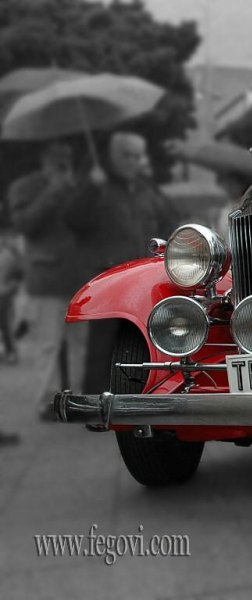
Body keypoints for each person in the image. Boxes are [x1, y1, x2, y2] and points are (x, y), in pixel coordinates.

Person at [73, 132, 181, 393]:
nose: (132, 161)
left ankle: (140, 396)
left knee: (143, 342)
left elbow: (171, 222)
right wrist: (90, 188)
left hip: (144, 279)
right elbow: (72, 220)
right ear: (112, 156)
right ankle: (96, 401)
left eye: (137, 156)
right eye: (126, 155)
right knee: (103, 346)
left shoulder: (147, 189)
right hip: (108, 278)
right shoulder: (97, 186)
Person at [7, 141, 89, 419]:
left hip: (79, 276)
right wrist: (52, 191)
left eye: (67, 155)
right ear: (43, 157)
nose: (64, 160)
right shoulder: (25, 187)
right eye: (57, 156)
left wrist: (92, 191)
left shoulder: (79, 185)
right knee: (48, 343)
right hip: (47, 276)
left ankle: (77, 398)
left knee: (80, 344)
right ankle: (48, 402)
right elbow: (24, 224)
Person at [0, 224, 23, 364]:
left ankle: (11, 351)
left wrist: (12, 288)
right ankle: (9, 351)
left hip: (4, 293)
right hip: (5, 291)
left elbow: (19, 273)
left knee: (5, 323)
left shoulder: (10, 254)